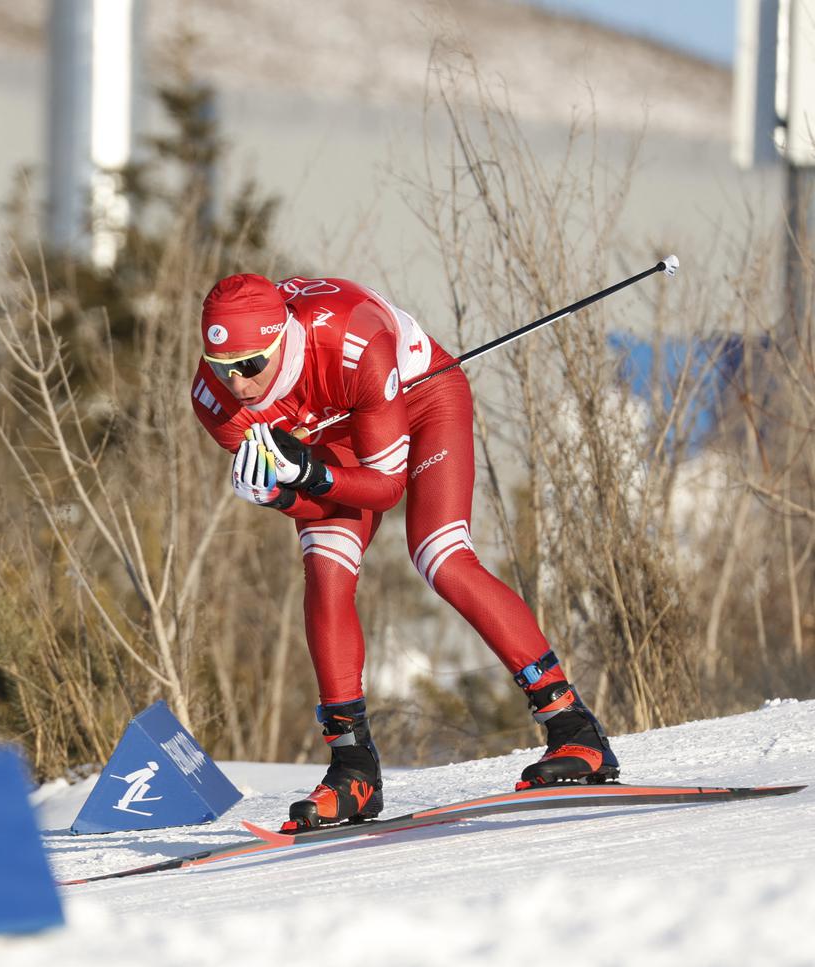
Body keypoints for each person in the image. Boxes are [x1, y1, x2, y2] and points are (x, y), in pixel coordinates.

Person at [191, 273, 618, 830]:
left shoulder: (353, 340)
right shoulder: (216, 402)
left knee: (441, 555)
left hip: (419, 400)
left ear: (283, 339)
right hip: (337, 436)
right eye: (223, 367)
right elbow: (318, 506)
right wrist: (279, 495)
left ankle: (574, 728)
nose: (239, 384)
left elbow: (385, 487)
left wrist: (309, 473)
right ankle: (353, 769)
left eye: (251, 365)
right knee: (326, 568)